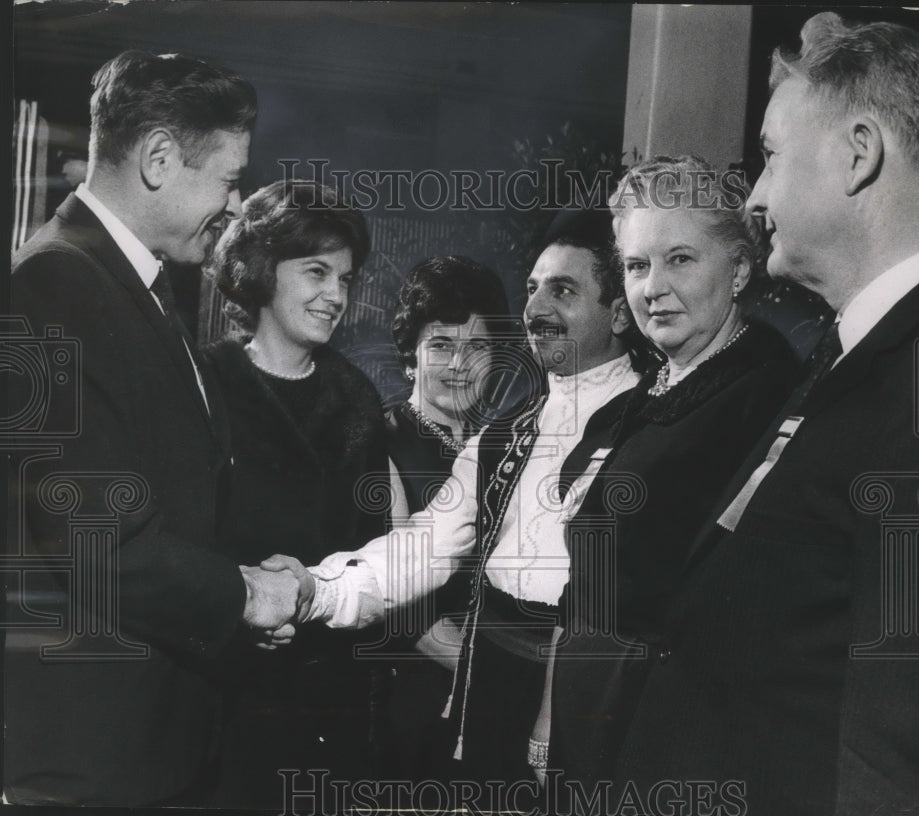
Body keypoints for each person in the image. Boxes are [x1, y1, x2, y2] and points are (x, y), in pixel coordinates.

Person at [613, 14, 919, 815]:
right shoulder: (868, 347)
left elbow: (914, 747)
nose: (754, 197)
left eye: (772, 156)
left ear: (859, 154)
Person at [5, 50, 298, 807]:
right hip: (91, 763)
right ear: (160, 159)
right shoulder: (54, 283)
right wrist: (242, 595)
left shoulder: (129, 281)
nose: (236, 204)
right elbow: (94, 537)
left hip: (147, 748)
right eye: (229, 180)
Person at [262, 217, 642, 800]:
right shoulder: (502, 437)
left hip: (596, 696)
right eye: (533, 288)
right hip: (488, 691)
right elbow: (420, 549)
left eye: (562, 290)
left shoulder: (650, 424)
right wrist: (313, 589)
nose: (536, 308)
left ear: (618, 313)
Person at [545, 155, 799, 791]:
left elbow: (743, 612)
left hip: (671, 734)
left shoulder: (765, 395)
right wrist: (551, 716)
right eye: (637, 266)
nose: (652, 287)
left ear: (738, 270)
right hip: (592, 710)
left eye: (679, 259)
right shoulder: (654, 386)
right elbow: (587, 582)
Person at [202, 178, 390, 809]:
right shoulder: (207, 383)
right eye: (317, 272)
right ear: (261, 270)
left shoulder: (358, 399)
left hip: (326, 697)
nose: (337, 295)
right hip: (219, 693)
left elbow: (373, 555)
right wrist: (237, 609)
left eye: (346, 278)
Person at [381, 255, 515, 782]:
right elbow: (400, 610)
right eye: (440, 344)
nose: (460, 363)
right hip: (416, 699)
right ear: (410, 356)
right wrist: (498, 676)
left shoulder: (502, 446)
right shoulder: (381, 444)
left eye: (477, 346)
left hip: (488, 690)